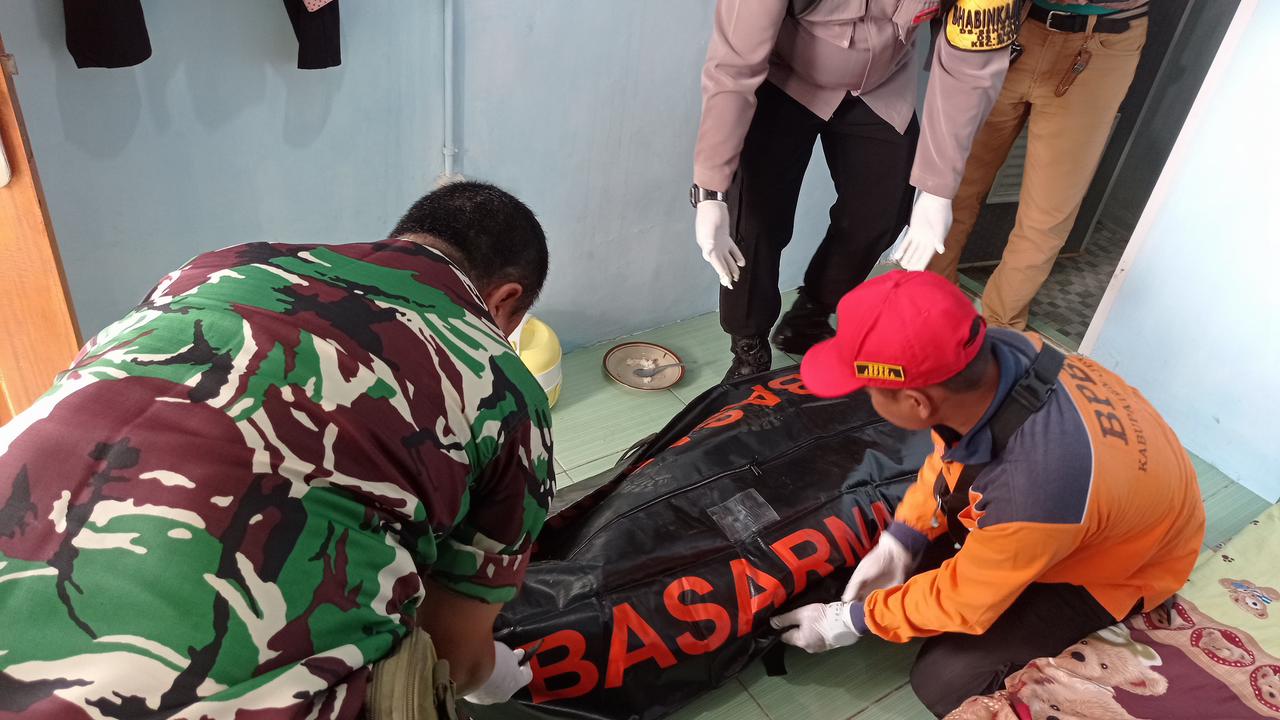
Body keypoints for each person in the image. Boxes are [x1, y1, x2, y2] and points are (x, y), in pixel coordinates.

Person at [0, 182, 555, 718]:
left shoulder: (218, 265)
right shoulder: (505, 384)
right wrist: (499, 677)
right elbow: (455, 656)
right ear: (506, 300)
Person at [771, 270, 1204, 717]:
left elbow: (965, 602)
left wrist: (855, 621)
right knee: (913, 572)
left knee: (945, 680)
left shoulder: (1036, 490)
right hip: (1100, 504)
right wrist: (904, 537)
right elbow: (951, 455)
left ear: (917, 402)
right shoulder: (1008, 355)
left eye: (867, 390)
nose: (866, 399)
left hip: (1126, 563)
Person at [690, 0, 1020, 380]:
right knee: (753, 221)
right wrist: (711, 191)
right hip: (785, 77)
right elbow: (734, 64)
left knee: (883, 210)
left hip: (882, 84)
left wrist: (937, 191)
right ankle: (749, 345)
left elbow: (971, 69)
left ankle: (812, 313)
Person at [925, 0, 1150, 329]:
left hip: (1106, 42)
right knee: (953, 184)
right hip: (1008, 22)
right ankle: (927, 303)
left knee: (1047, 214)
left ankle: (999, 332)